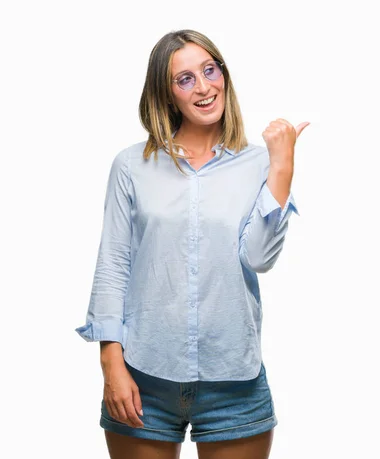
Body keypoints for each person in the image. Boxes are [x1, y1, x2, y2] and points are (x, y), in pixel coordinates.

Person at [75, 29, 308, 459]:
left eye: (209, 70)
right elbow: (114, 263)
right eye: (185, 79)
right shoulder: (132, 165)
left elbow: (258, 257)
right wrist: (111, 362)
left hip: (234, 383)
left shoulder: (260, 163)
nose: (203, 87)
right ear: (167, 94)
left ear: (224, 75)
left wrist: (283, 167)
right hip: (143, 375)